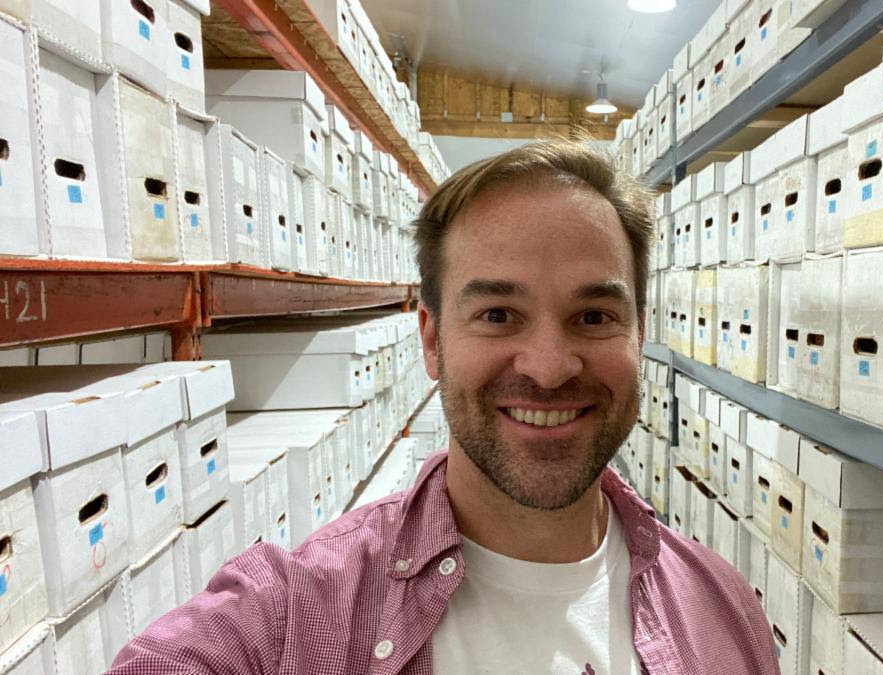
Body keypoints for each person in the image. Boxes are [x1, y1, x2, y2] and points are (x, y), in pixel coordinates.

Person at [108, 139, 777, 674]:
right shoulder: (294, 614)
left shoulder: (723, 612)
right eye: (497, 314)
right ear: (431, 340)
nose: (549, 366)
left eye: (594, 315)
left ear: (640, 334)